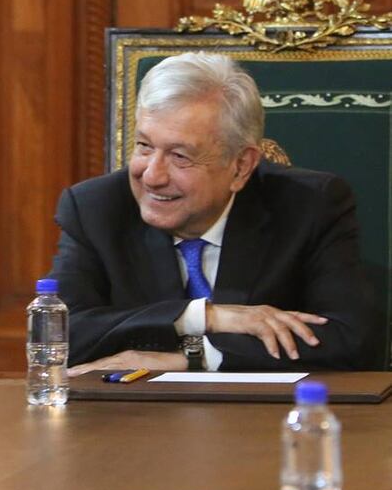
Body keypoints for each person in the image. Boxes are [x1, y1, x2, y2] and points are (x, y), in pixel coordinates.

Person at [52, 52, 380, 374]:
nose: (152, 175)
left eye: (180, 156)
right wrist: (204, 316)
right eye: (144, 146)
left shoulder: (310, 206)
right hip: (134, 420)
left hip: (267, 422)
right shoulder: (95, 209)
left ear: (240, 166)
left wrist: (197, 357)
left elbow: (351, 340)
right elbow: (56, 335)